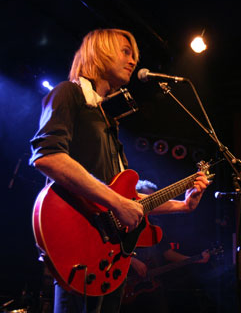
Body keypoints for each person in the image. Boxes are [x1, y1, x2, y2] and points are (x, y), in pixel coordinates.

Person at [28, 28, 209, 313]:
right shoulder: (69, 93)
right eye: (126, 52)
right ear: (100, 52)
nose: (133, 60)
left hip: (111, 257)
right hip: (79, 244)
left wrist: (184, 205)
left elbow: (129, 201)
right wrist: (116, 202)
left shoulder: (108, 120)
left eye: (134, 55)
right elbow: (47, 156)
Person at [121, 180, 210, 313]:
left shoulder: (156, 225)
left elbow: (167, 253)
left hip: (152, 287)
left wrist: (195, 258)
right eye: (147, 199)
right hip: (124, 285)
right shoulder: (123, 221)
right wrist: (131, 260)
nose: (151, 205)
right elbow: (110, 247)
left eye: (154, 200)